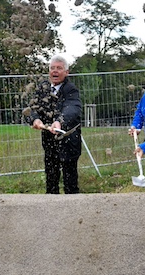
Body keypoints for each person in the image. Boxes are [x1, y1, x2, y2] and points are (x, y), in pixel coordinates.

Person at [29, 55, 82, 194]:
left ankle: (72, 206)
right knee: (51, 177)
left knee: (70, 180)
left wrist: (60, 122)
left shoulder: (71, 89)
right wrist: (35, 120)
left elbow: (72, 108)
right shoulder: (43, 88)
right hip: (49, 140)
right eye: (52, 68)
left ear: (66, 72)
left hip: (68, 140)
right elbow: (33, 108)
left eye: (59, 68)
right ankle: (51, 206)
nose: (55, 71)